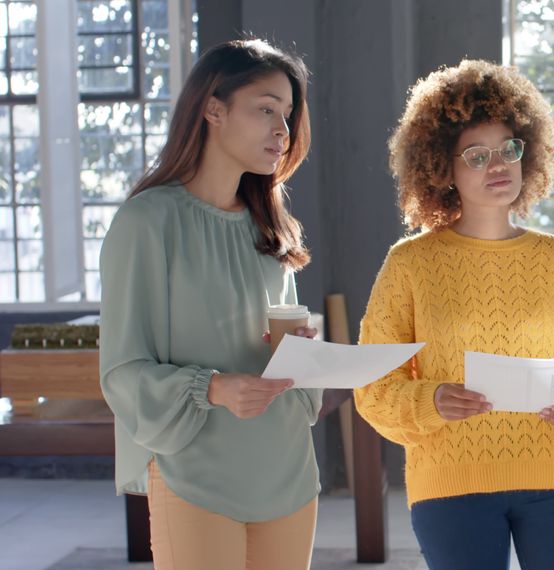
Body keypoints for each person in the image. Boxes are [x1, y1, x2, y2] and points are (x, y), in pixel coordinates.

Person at [354, 59, 554, 570]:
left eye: (508, 150)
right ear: (443, 168)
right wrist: (431, 398)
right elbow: (373, 387)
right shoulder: (410, 264)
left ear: (529, 152)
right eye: (476, 156)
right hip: (450, 485)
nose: (498, 165)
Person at [99, 39, 322, 569]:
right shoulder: (147, 222)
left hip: (286, 466)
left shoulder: (271, 227)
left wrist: (301, 351)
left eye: (287, 114)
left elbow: (276, 344)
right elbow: (122, 371)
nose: (282, 131)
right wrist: (215, 387)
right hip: (194, 470)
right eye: (265, 108)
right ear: (213, 108)